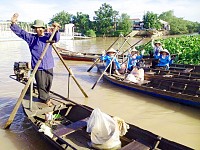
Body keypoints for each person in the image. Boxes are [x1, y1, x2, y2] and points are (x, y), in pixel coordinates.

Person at [10, 13, 60, 106]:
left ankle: (45, 96)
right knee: (41, 85)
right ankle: (45, 100)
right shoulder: (31, 38)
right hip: (38, 66)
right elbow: (21, 32)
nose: (38, 30)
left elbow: (56, 38)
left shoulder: (48, 37)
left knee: (48, 83)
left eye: (39, 28)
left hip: (49, 65)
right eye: (36, 28)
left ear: (43, 28)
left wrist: (56, 30)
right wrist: (13, 24)